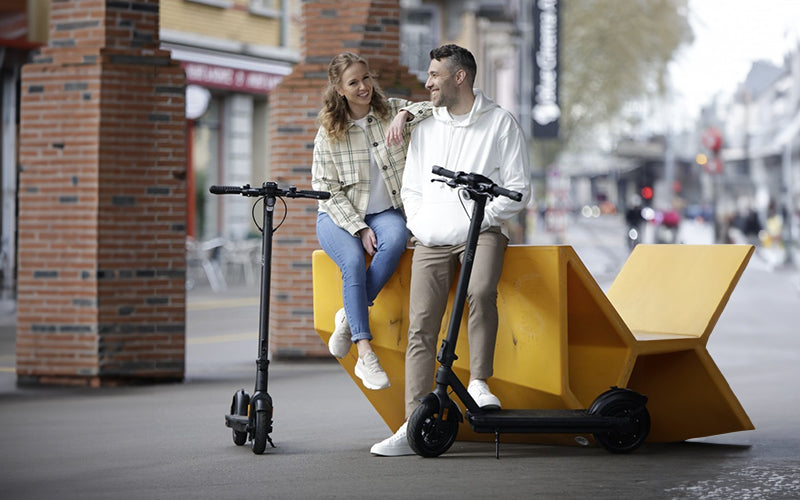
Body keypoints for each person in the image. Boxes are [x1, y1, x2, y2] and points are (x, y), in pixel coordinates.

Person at [370, 44, 532, 455]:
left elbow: (518, 189)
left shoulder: (500, 123)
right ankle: (411, 426)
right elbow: (411, 186)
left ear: (459, 77)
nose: (428, 83)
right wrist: (423, 224)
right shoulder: (424, 125)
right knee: (421, 326)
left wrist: (481, 218)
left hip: (484, 230)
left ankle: (479, 381)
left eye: (435, 75)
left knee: (480, 292)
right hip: (431, 237)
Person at [312, 52, 430, 391]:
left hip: (385, 212)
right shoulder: (330, 133)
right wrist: (358, 228)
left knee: (394, 240)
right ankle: (365, 352)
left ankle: (349, 316)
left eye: (366, 77)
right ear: (339, 89)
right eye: (353, 82)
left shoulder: (390, 110)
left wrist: (405, 113)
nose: (363, 86)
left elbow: (433, 110)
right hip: (338, 214)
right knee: (352, 261)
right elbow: (326, 190)